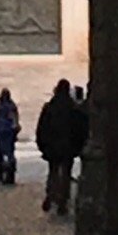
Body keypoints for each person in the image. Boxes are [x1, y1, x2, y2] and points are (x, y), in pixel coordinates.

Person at [36, 78, 88, 217]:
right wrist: (79, 145)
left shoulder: (49, 108)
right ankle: (62, 201)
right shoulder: (73, 109)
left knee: (53, 171)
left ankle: (51, 195)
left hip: (53, 146)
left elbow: (42, 127)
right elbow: (80, 128)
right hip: (68, 146)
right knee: (65, 173)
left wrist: (42, 144)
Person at [0, 88, 21, 186]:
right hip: (10, 133)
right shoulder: (12, 107)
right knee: (10, 153)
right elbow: (15, 121)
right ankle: (10, 173)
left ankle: (1, 173)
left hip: (0, 132)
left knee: (1, 154)